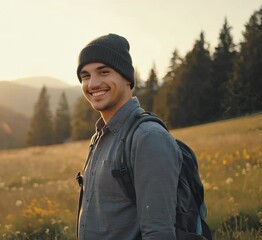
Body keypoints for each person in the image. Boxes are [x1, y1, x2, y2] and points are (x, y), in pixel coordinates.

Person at [76, 33, 182, 239]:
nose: (93, 84)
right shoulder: (99, 137)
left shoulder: (148, 138)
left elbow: (159, 233)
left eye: (104, 72)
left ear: (126, 78)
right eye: (85, 76)